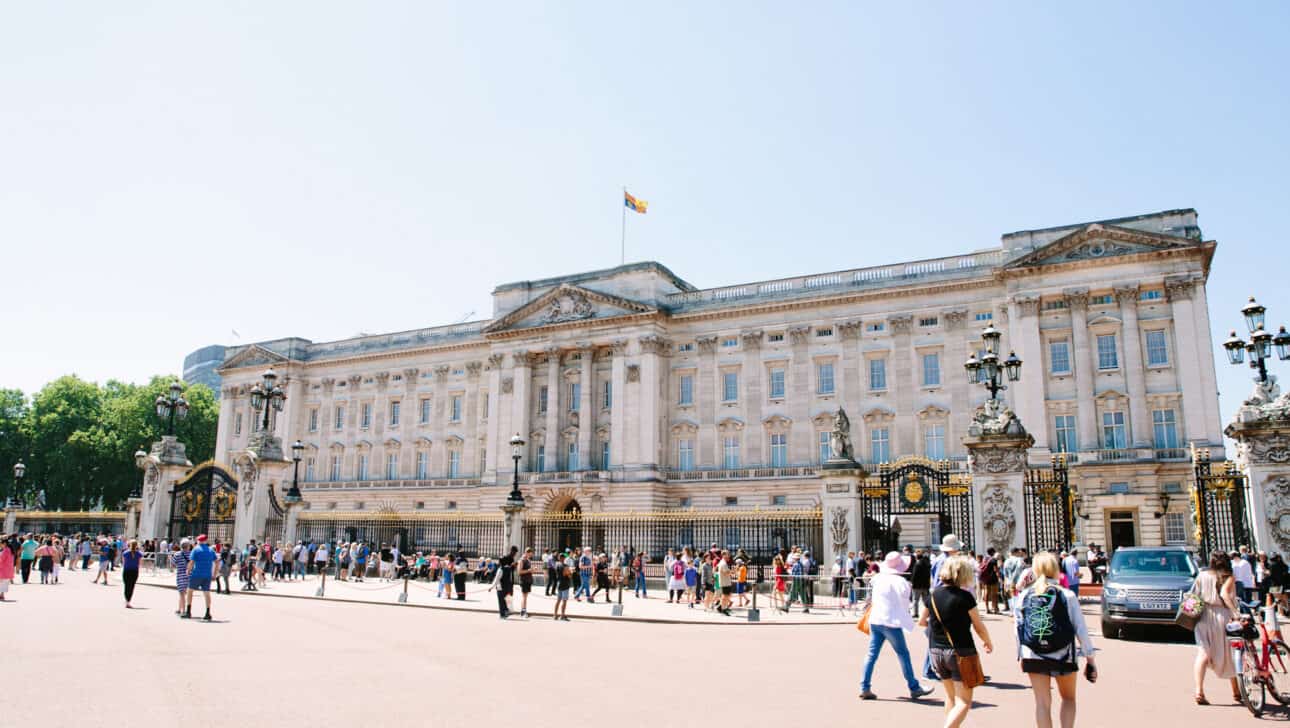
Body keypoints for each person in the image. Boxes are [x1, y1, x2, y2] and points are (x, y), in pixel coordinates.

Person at [1015, 552, 1096, 728]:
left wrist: (1020, 655)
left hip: (1033, 653)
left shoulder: (1024, 595)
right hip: (1063, 653)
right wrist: (1090, 658)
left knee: (1042, 704)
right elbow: (1080, 629)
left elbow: (1018, 629)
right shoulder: (1067, 595)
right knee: (1068, 698)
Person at [919, 555, 993, 728]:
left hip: (936, 651)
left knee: (951, 698)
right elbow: (978, 625)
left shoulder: (933, 594)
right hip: (961, 651)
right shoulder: (965, 597)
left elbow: (922, 621)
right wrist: (987, 641)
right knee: (964, 702)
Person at [859, 552, 935, 701]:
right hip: (891, 622)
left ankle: (864, 687)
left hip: (876, 620)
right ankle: (914, 687)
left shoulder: (877, 579)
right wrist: (906, 621)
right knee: (903, 654)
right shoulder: (901, 583)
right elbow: (904, 604)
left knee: (871, 654)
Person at [1192, 551, 1239, 705]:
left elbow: (1194, 595)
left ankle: (1199, 690)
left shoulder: (1202, 576)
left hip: (1203, 616)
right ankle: (1236, 691)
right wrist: (1236, 613)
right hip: (1222, 616)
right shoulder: (1228, 576)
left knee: (1203, 653)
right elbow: (1226, 596)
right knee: (1229, 653)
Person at [186, 534, 219, 621]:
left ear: (198, 541)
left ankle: (188, 611)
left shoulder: (196, 549)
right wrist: (214, 574)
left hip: (196, 574)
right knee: (207, 593)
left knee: (190, 591)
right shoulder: (211, 550)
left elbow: (191, 562)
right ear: (206, 540)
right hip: (207, 575)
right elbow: (217, 562)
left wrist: (188, 571)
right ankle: (208, 612)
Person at [492, 546, 517, 619]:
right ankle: (505, 611)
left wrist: (513, 566)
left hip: (508, 581)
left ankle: (507, 610)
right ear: (511, 551)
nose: (515, 554)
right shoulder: (506, 558)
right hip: (504, 582)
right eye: (514, 552)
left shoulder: (511, 559)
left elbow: (511, 569)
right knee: (504, 598)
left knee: (508, 596)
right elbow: (497, 577)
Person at [121, 539, 143, 608]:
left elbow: (123, 563)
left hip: (126, 570)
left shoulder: (125, 553)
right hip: (134, 571)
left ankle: (126, 600)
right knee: (131, 586)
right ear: (137, 545)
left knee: (126, 586)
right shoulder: (139, 554)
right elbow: (140, 564)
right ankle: (128, 601)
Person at [172, 540, 191, 616]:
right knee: (185, 593)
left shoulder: (177, 554)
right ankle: (179, 609)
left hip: (180, 575)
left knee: (181, 593)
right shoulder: (191, 554)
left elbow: (173, 564)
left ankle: (183, 611)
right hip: (189, 575)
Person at [553, 555, 572, 621]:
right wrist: (570, 572)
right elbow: (568, 575)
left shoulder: (557, 565)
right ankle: (562, 615)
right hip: (565, 584)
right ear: (563, 558)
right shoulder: (565, 566)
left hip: (559, 583)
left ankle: (555, 615)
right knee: (564, 601)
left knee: (558, 600)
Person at [517, 547, 534, 617]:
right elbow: (519, 572)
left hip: (528, 580)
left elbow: (528, 570)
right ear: (527, 552)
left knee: (525, 597)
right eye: (530, 554)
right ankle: (523, 611)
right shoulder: (522, 560)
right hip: (524, 580)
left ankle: (523, 610)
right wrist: (529, 570)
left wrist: (532, 570)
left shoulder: (528, 560)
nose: (531, 555)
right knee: (524, 597)